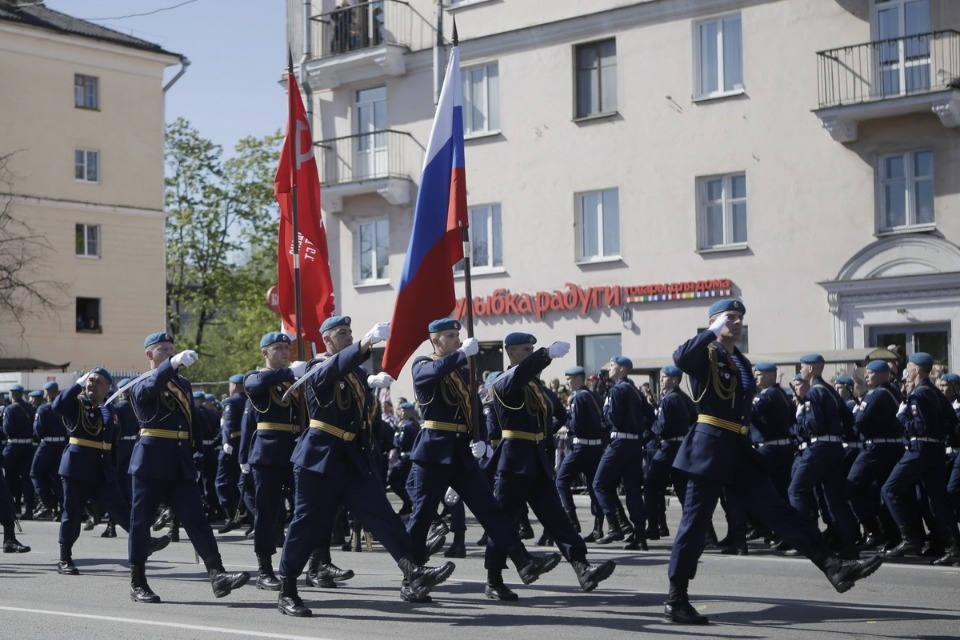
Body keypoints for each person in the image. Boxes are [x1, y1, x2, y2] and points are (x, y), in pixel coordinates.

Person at [665, 298, 883, 625]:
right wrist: (711, 331)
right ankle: (676, 598)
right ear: (713, 321)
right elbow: (679, 357)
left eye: (739, 317)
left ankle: (833, 567)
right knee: (695, 523)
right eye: (729, 317)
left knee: (778, 509)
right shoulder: (704, 353)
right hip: (709, 447)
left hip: (738, 448)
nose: (736, 322)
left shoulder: (739, 360)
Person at [276, 316, 455, 617]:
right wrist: (364, 344)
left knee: (382, 515)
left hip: (350, 458)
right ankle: (287, 588)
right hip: (318, 458)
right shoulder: (313, 368)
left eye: (350, 333)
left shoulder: (356, 374)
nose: (348, 336)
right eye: (341, 333)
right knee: (306, 523)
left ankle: (413, 572)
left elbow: (360, 419)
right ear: (327, 340)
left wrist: (370, 387)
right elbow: (331, 371)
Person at [405, 319, 563, 602]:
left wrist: (478, 436)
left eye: (457, 335)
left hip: (461, 452)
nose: (456, 339)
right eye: (450, 336)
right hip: (433, 451)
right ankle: (412, 577)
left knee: (490, 510)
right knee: (423, 515)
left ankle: (523, 561)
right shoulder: (423, 363)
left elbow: (473, 404)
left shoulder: (462, 369)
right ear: (436, 341)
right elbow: (434, 372)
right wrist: (461, 354)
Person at [485, 331, 616, 597]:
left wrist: (546, 435)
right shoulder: (505, 381)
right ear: (510, 353)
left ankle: (582, 568)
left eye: (533, 350)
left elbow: (560, 413)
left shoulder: (537, 387)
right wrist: (545, 355)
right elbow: (518, 376)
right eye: (526, 350)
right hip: (513, 461)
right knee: (504, 521)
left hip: (537, 459)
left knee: (558, 519)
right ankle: (494, 580)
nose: (531, 354)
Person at [127, 332, 250, 603]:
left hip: (180, 461)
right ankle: (138, 581)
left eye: (172, 349)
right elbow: (149, 390)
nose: (170, 354)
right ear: (149, 355)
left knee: (197, 519)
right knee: (140, 523)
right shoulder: (141, 382)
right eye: (163, 350)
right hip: (150, 460)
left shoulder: (182, 382)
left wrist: (195, 454)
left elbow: (191, 421)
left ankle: (217, 574)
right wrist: (169, 366)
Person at [52, 367, 170, 575]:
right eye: (90, 380)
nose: (92, 384)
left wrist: (114, 469)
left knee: (122, 510)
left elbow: (113, 440)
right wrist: (76, 385)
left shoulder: (110, 410)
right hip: (76, 468)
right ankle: (65, 558)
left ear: (108, 387)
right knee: (72, 513)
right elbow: (57, 406)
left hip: (103, 470)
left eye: (98, 382)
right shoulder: (76, 404)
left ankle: (146, 542)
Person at [881, 352, 960, 564]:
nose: (906, 370)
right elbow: (952, 421)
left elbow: (919, 426)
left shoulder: (918, 394)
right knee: (937, 500)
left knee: (889, 489)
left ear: (917, 370)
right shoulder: (934, 391)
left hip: (920, 448)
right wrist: (939, 434)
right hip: (935, 450)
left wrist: (902, 416)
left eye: (909, 366)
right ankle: (954, 547)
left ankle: (910, 537)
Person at [240, 332, 304, 591]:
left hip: (295, 451)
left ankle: (317, 562)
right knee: (267, 514)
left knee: (306, 508)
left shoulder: (291, 380)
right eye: (278, 348)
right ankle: (264, 568)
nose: (285, 352)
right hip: (267, 454)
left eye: (287, 347)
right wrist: (290, 373)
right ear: (264, 353)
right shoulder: (256, 377)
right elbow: (255, 384)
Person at [791, 354, 860, 559]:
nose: (801, 371)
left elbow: (814, 424)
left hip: (819, 446)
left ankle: (807, 540)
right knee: (834, 498)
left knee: (796, 490)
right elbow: (849, 420)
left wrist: (800, 413)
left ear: (811, 369)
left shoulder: (813, 393)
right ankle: (849, 544)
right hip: (836, 446)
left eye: (803, 367)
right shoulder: (829, 390)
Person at [593, 356, 656, 546]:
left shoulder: (617, 389)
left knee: (600, 484)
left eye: (612, 365)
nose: (609, 368)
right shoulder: (635, 390)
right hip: (634, 445)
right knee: (633, 491)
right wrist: (640, 435)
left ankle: (614, 526)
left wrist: (606, 405)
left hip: (619, 443)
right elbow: (651, 415)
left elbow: (614, 419)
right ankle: (639, 534)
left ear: (622, 369)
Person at [846, 360, 904, 551]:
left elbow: (860, 421)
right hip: (892, 447)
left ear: (882, 374)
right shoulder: (894, 391)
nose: (867, 375)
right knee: (881, 492)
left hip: (875, 449)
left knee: (851, 487)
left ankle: (872, 532)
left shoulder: (877, 394)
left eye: (871, 372)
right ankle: (892, 534)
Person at [644, 365, 696, 546]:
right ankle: (703, 533)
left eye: (664, 377)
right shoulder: (683, 398)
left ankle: (653, 526)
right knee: (683, 490)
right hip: (682, 447)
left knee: (651, 485)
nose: (661, 380)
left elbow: (662, 427)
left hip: (669, 448)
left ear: (674, 380)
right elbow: (695, 419)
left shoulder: (668, 400)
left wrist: (651, 424)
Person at [555, 365, 605, 541]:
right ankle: (598, 528)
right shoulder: (595, 396)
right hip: (596, 447)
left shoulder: (577, 398)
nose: (567, 382)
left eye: (569, 379)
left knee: (561, 480)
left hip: (581, 447)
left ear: (577, 379)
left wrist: (566, 421)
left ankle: (572, 519)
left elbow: (576, 425)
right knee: (593, 487)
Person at [31, 381, 66, 520]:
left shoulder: (44, 409)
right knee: (57, 477)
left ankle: (46, 504)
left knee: (35, 473)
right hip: (63, 444)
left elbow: (38, 430)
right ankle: (64, 508)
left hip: (47, 444)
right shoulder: (65, 407)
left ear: (47, 392)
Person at [214, 374, 245, 534]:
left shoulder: (232, 402)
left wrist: (225, 442)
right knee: (242, 482)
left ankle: (232, 516)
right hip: (246, 445)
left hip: (232, 444)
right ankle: (246, 517)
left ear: (234, 386)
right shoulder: (250, 399)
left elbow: (228, 425)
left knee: (222, 482)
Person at [3, 384, 37, 520]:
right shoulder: (30, 407)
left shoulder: (10, 409)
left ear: (12, 394)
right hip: (28, 446)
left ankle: (12, 507)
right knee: (27, 479)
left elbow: (7, 430)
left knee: (8, 478)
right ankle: (29, 510)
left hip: (13, 447)